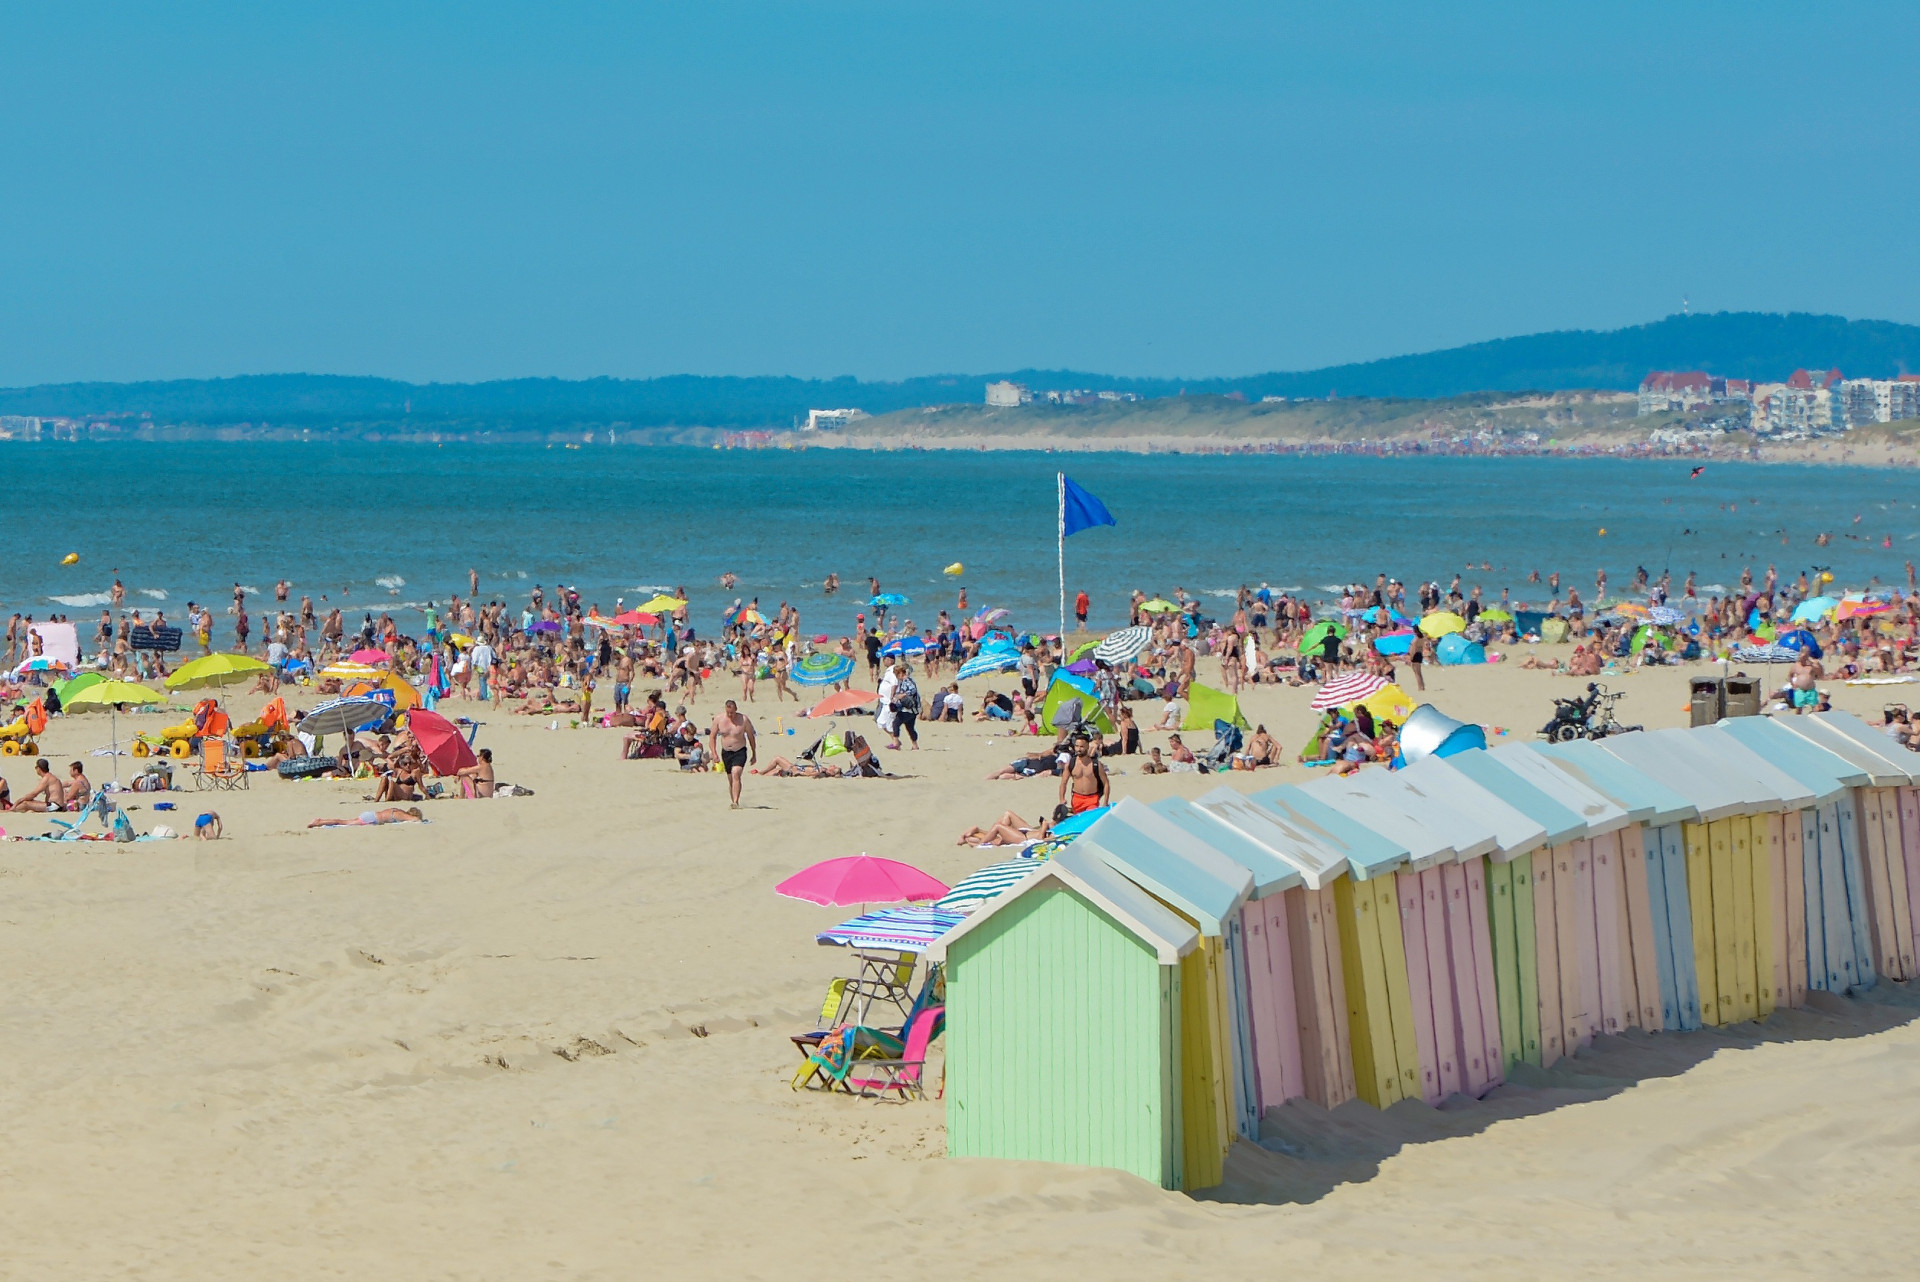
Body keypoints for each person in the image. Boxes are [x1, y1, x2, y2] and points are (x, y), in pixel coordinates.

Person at [708, 698, 757, 808]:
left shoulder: (743, 719)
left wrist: (754, 753)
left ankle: (736, 801)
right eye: (728, 712)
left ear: (736, 709)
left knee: (736, 773)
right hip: (726, 752)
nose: (730, 715)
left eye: (732, 712)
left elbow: (751, 737)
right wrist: (714, 753)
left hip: (740, 751)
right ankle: (733, 801)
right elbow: (712, 737)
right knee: (731, 779)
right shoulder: (719, 719)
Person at [1059, 731, 1110, 814]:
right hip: (1076, 799)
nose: (1079, 749)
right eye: (1077, 746)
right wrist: (1062, 799)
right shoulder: (1071, 764)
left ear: (1087, 747)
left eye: (1082, 746)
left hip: (1092, 799)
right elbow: (1063, 783)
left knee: (1090, 816)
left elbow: (1106, 783)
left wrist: (1106, 802)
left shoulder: (1096, 764)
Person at [886, 661, 920, 750]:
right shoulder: (906, 681)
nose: (897, 677)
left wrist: (902, 695)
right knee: (910, 728)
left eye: (897, 675)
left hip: (908, 708)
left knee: (896, 723)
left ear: (901, 673)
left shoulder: (907, 680)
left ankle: (895, 742)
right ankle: (915, 745)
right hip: (912, 709)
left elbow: (913, 690)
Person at [308, 807, 426, 827]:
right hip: (372, 819)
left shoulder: (398, 811)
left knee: (344, 821)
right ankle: (319, 822)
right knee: (343, 822)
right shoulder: (403, 815)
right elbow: (415, 820)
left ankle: (321, 821)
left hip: (372, 815)